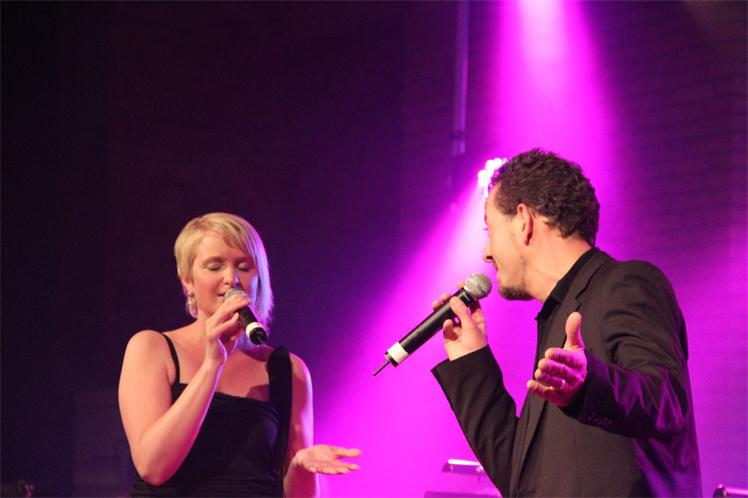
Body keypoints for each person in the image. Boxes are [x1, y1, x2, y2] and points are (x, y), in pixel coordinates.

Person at [431, 149, 702, 497]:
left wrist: (587, 386)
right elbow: (521, 478)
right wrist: (471, 360)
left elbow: (666, 400)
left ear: (524, 221)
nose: (486, 252)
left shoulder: (625, 283)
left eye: (490, 229)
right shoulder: (558, 318)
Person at [118, 212, 360, 497]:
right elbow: (153, 466)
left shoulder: (288, 369)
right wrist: (212, 365)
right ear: (187, 281)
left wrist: (301, 467)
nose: (231, 278)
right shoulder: (152, 348)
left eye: (244, 267)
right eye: (214, 266)